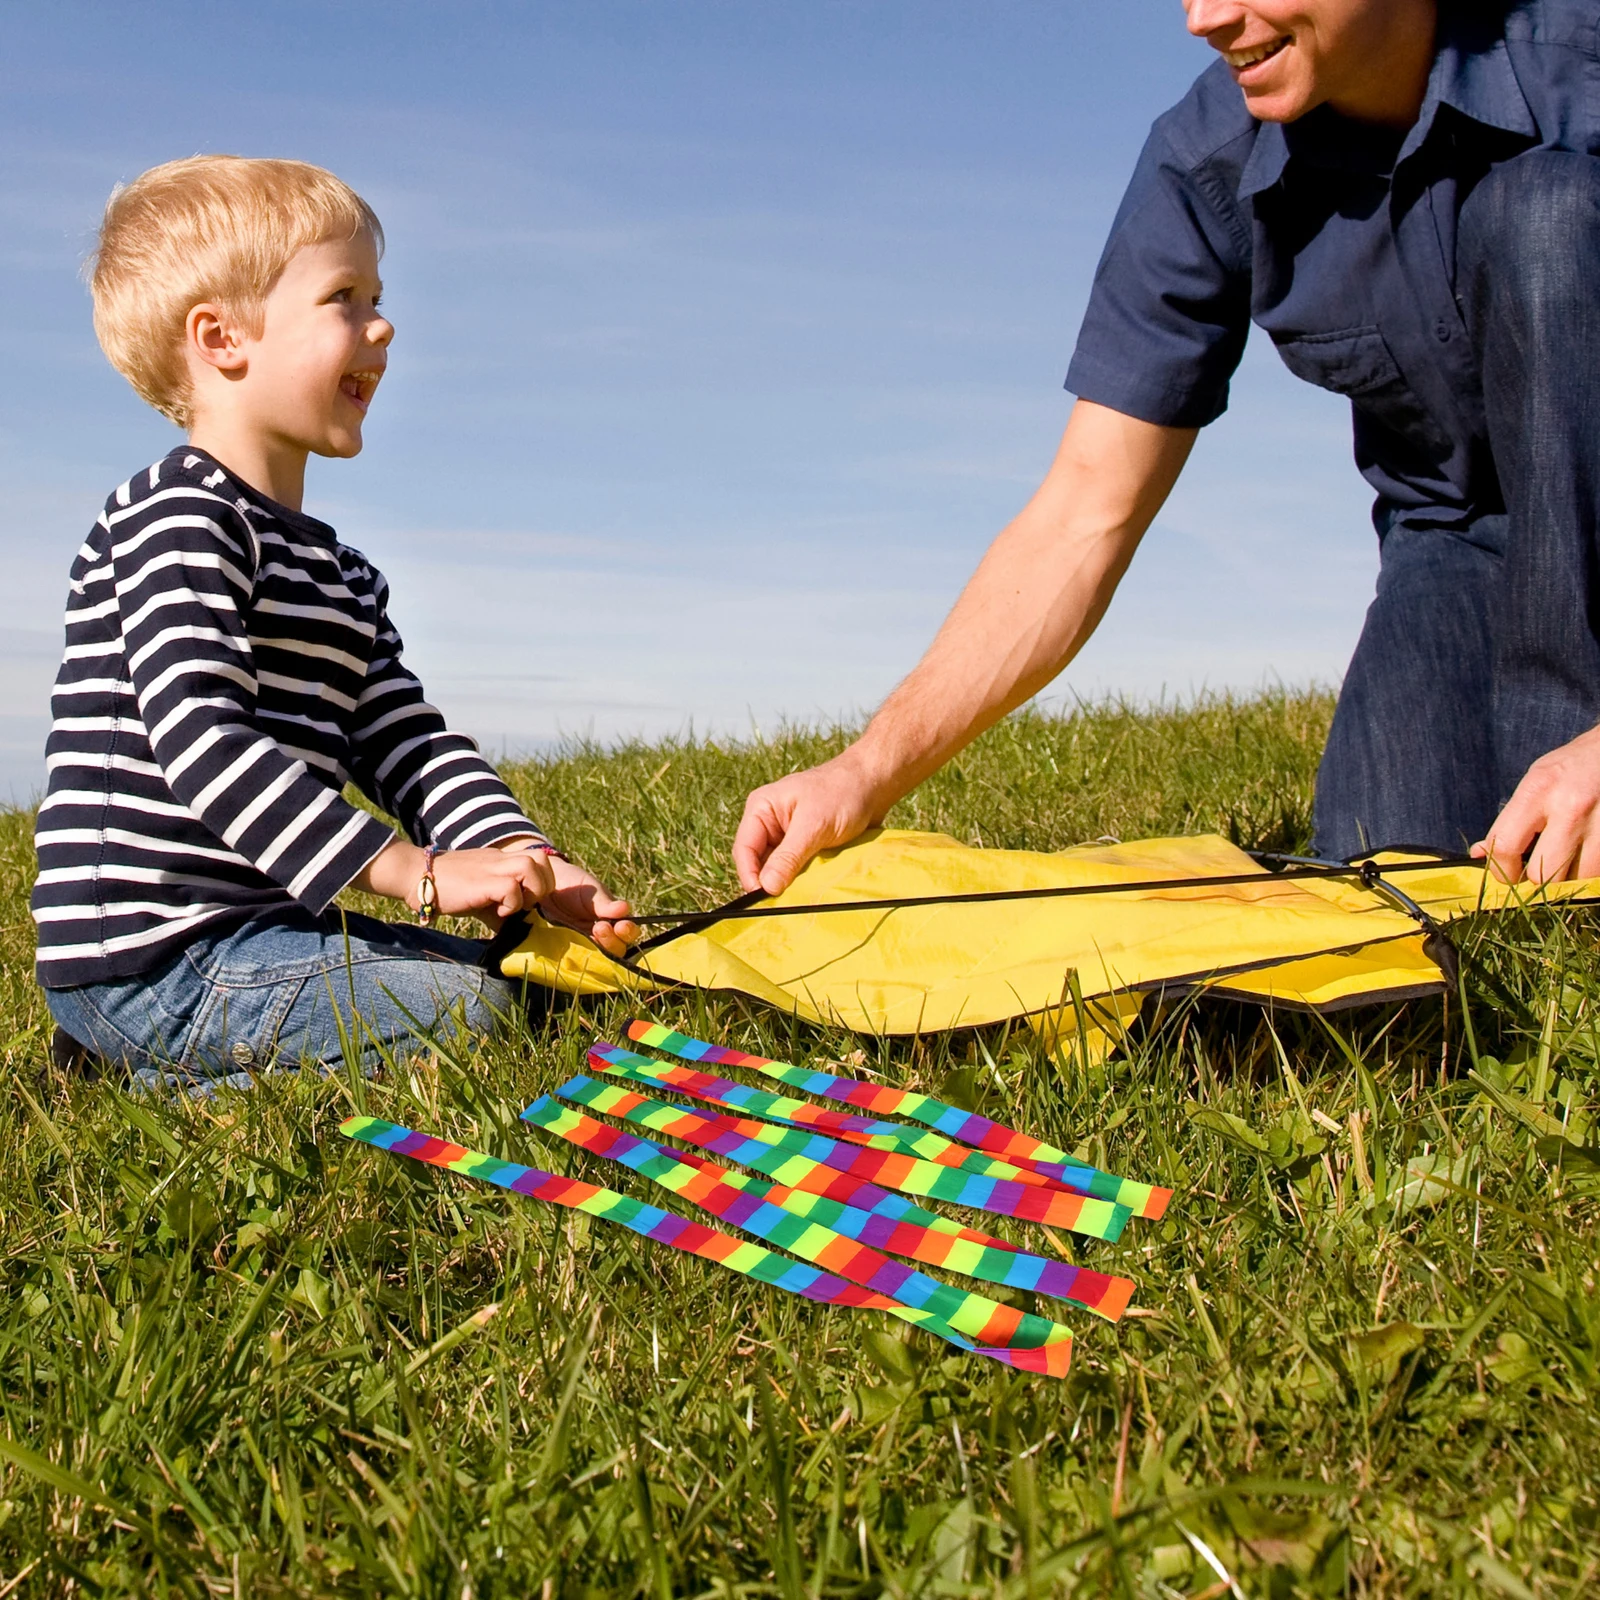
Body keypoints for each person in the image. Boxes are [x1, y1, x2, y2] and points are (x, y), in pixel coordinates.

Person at [735, 0, 1600, 896]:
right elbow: (1083, 513)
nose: (1204, 17)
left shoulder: (1579, 61)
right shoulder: (1208, 162)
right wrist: (865, 769)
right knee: (1384, 886)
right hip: (1456, 545)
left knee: (1548, 217)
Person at [33, 155, 638, 1089]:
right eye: (345, 298)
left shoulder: (341, 572)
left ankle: (150, 1058)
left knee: (527, 976)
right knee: (482, 1017)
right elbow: (202, 738)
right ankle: (135, 1064)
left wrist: (524, 861)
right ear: (223, 337)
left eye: (378, 296)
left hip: (263, 934)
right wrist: (418, 874)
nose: (383, 325)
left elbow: (406, 743)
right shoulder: (178, 516)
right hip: (149, 955)